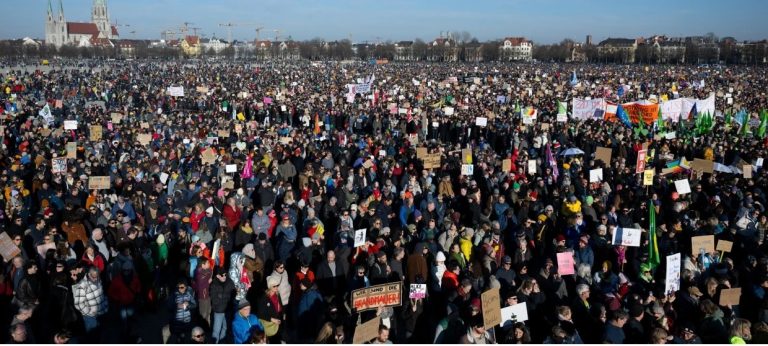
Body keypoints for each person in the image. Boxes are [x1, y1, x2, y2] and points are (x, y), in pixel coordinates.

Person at [210, 266, 236, 343]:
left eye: (225, 274)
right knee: (216, 331)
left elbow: (233, 294)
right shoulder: (214, 284)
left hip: (228, 310)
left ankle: (221, 342)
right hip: (219, 311)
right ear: (217, 275)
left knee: (225, 328)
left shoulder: (229, 281)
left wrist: (221, 296)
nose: (224, 276)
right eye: (222, 275)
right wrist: (227, 296)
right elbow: (215, 300)